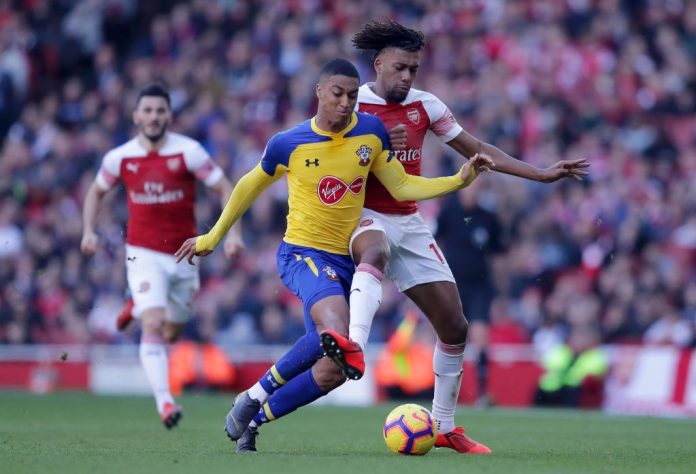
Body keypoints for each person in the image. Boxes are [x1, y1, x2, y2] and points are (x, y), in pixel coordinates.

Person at [174, 58, 492, 452]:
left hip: (344, 259)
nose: (345, 103)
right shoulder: (288, 143)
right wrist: (212, 236)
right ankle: (253, 396)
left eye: (353, 96)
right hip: (303, 254)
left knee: (333, 372)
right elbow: (246, 187)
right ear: (320, 92)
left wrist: (457, 181)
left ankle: (254, 421)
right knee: (336, 329)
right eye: (338, 94)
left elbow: (403, 187)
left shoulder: (370, 134)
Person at [319, 19, 590, 454]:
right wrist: (377, 141)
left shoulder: (426, 106)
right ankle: (354, 344)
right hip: (362, 213)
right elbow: (321, 158)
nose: (408, 77)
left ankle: (443, 425)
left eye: (415, 70)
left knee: (455, 326)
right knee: (374, 250)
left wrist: (539, 174)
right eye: (401, 68)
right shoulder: (352, 105)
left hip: (409, 220)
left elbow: (477, 149)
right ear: (380, 63)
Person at [80, 83, 243, 429]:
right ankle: (165, 402)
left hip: (185, 255)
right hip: (142, 253)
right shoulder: (121, 157)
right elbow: (95, 192)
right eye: (147, 111)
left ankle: (135, 305)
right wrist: (88, 231)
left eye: (160, 111)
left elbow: (226, 188)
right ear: (136, 115)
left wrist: (233, 234)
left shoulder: (189, 152)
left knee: (171, 333)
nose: (153, 117)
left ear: (169, 115)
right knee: (152, 326)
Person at [436, 180, 506, 407]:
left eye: (478, 188)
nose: (474, 192)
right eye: (470, 187)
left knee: (480, 337)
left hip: (480, 286)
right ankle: (443, 395)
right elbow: (435, 243)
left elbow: (498, 254)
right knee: (449, 338)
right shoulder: (448, 213)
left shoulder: (489, 218)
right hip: (452, 285)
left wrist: (501, 292)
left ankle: (483, 394)